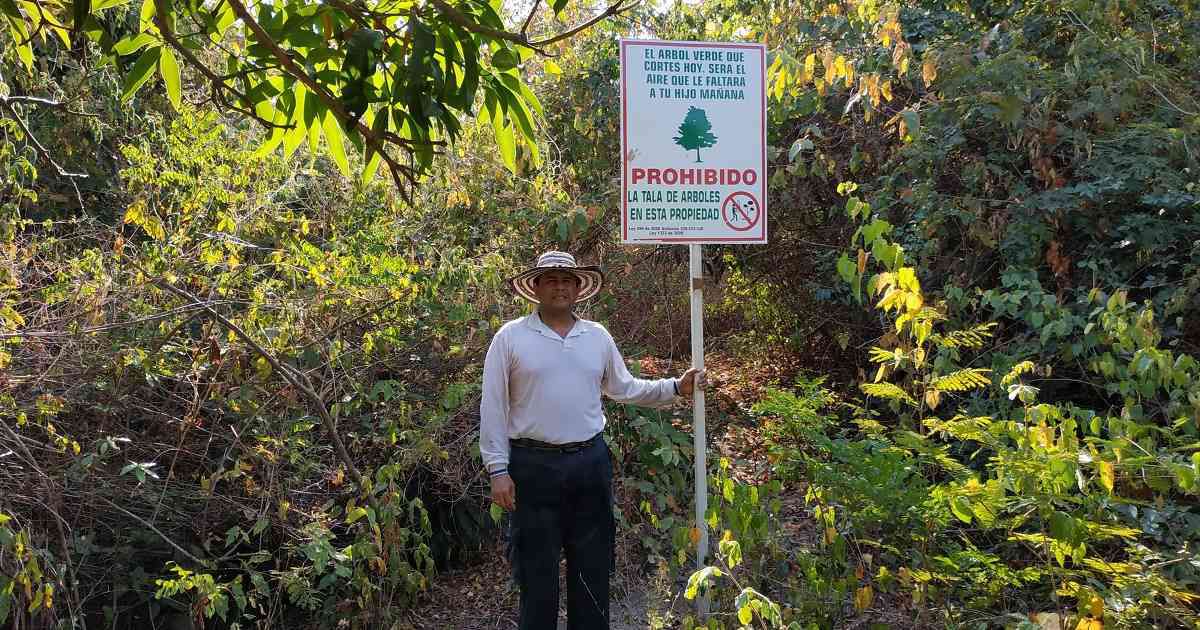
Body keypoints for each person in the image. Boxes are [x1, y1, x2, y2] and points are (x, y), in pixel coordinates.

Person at [480, 251, 703, 630]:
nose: (560, 286)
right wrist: (498, 469)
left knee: (593, 567)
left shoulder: (596, 336)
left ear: (580, 287)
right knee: (537, 573)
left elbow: (624, 387)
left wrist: (675, 388)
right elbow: (493, 405)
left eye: (567, 280)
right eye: (550, 279)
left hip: (589, 464)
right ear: (535, 287)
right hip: (532, 467)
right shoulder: (511, 337)